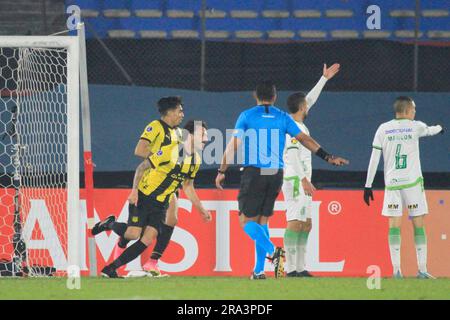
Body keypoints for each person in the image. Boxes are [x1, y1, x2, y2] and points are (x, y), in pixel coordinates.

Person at [215, 80, 349, 280]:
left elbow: (233, 145)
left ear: (255, 96)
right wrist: (328, 157)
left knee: (245, 220)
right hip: (276, 174)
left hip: (255, 172)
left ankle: (274, 251)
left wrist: (222, 170)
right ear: (275, 97)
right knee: (262, 221)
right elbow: (305, 140)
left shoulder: (247, 116)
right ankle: (259, 271)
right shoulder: (283, 117)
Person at [94, 120, 212, 278]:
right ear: (190, 135)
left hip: (162, 203)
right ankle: (110, 223)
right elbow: (142, 167)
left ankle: (110, 269)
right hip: (144, 196)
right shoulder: (170, 150)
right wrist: (134, 191)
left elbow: (188, 186)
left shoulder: (195, 160)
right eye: (202, 134)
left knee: (147, 239)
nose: (206, 138)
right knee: (133, 234)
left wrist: (201, 209)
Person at [363, 96, 444, 279]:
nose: (415, 112)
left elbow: (374, 158)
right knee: (418, 225)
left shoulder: (383, 129)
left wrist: (368, 185)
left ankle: (396, 271)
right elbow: (432, 130)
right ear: (407, 111)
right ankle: (422, 270)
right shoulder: (415, 126)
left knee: (394, 227)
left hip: (392, 185)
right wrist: (441, 128)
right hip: (413, 183)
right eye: (414, 109)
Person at [113, 96, 184, 276]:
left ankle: (152, 262)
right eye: (179, 111)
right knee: (136, 232)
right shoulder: (155, 127)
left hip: (169, 182)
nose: (182, 114)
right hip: (151, 181)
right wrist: (160, 159)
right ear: (169, 112)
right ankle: (121, 241)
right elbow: (139, 150)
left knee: (171, 219)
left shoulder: (177, 132)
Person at [282, 63, 340, 277]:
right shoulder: (291, 128)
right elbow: (293, 155)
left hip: (303, 180)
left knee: (306, 224)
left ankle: (300, 267)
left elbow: (310, 99)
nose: (309, 105)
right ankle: (289, 269)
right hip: (296, 180)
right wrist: (304, 180)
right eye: (306, 104)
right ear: (302, 108)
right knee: (295, 221)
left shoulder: (297, 122)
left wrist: (323, 79)